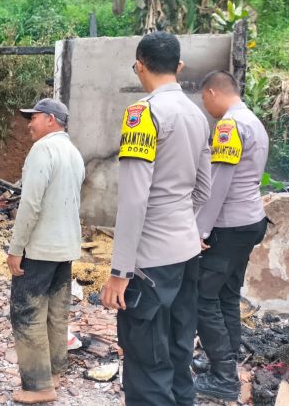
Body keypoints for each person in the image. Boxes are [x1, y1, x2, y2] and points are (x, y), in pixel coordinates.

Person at [101, 32, 211, 406]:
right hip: (186, 253)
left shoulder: (142, 114)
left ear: (139, 65)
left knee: (147, 361)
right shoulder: (198, 115)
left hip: (150, 262)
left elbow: (134, 200)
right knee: (179, 351)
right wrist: (186, 226)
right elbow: (203, 191)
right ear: (178, 67)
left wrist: (120, 272)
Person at [192, 71, 269, 401]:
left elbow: (218, 183)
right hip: (249, 222)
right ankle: (224, 361)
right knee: (224, 294)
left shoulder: (229, 125)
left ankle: (224, 378)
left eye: (203, 99)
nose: (205, 106)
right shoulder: (253, 121)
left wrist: (199, 230)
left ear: (212, 92)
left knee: (201, 298)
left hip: (228, 226)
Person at [6, 98, 85, 404]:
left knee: (26, 313)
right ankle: (54, 369)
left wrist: (16, 248)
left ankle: (38, 386)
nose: (30, 123)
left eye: (34, 117)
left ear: (51, 120)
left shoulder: (43, 149)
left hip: (39, 249)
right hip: (65, 248)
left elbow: (30, 204)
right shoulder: (73, 152)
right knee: (56, 311)